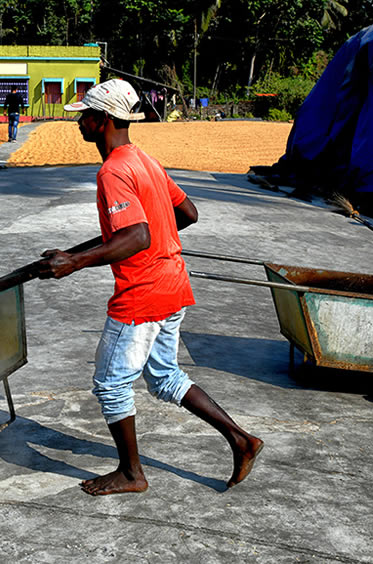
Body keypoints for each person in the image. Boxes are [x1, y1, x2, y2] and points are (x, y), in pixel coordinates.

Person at [36, 78, 263, 496]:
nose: (79, 122)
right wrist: (72, 252)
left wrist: (76, 263)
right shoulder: (146, 161)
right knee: (164, 376)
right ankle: (241, 439)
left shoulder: (113, 171)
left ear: (103, 120)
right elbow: (188, 213)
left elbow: (137, 236)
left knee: (110, 383)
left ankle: (131, 473)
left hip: (144, 292)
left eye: (84, 115)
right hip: (174, 283)